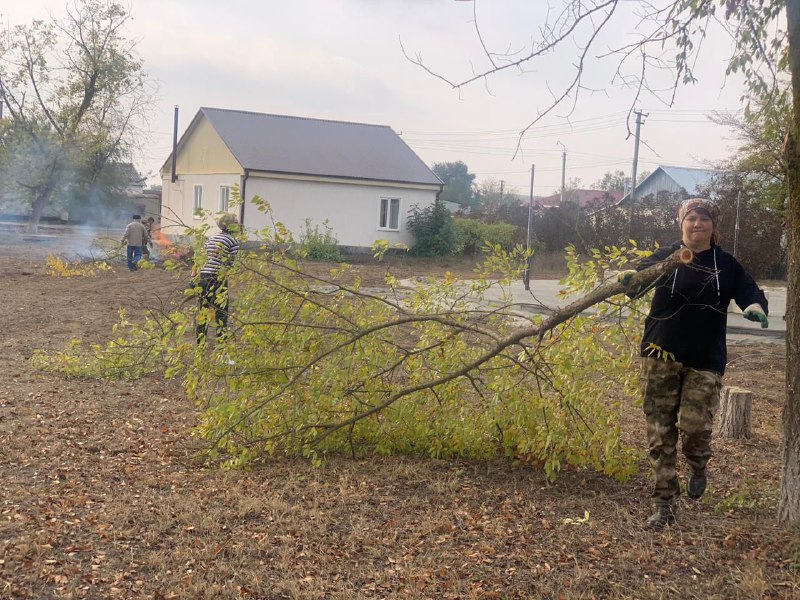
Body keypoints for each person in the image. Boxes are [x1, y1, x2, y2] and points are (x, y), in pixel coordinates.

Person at [618, 198, 769, 530]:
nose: (696, 224)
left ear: (713, 226)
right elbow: (638, 279)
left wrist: (755, 306)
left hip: (705, 360)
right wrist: (630, 278)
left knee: (694, 428)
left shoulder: (726, 265)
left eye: (703, 219)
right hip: (659, 354)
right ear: (680, 222)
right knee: (659, 433)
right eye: (691, 218)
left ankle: (698, 464)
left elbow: (751, 293)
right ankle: (664, 504)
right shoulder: (667, 257)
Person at [195, 213, 241, 343]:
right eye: (236, 222)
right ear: (232, 225)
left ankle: (200, 348)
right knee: (221, 314)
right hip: (218, 278)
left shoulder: (211, 238)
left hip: (204, 277)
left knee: (203, 313)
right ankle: (222, 349)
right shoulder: (233, 241)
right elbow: (230, 264)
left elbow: (202, 257)